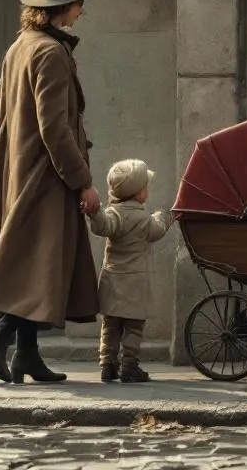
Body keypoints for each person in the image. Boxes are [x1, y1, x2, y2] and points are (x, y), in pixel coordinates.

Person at [0, 0, 103, 385]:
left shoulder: (20, 47)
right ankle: (2, 334)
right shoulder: (49, 52)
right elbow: (55, 128)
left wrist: (15, 158)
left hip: (24, 176)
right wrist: (81, 180)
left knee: (37, 269)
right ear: (63, 8)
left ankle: (26, 357)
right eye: (79, 4)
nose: (82, 11)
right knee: (43, 265)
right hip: (46, 180)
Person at [86, 158, 173, 383]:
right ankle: (129, 365)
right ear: (139, 194)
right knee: (134, 327)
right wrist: (165, 216)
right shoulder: (144, 219)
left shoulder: (113, 214)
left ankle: (107, 364)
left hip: (113, 280)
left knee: (110, 325)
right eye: (146, 188)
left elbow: (102, 225)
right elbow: (157, 231)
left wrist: (95, 213)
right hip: (136, 284)